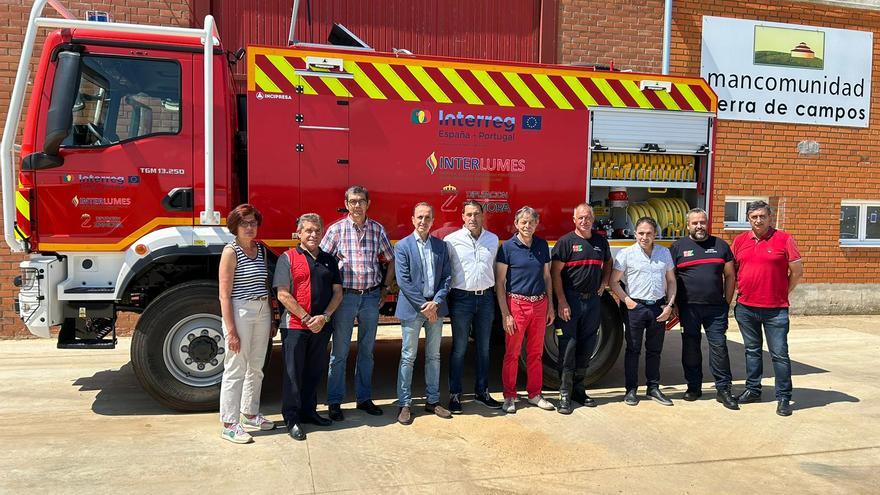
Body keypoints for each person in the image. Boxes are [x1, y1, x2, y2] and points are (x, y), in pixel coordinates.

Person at [321, 185, 395, 420]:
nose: (357, 205)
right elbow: (321, 261)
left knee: (366, 352)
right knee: (340, 352)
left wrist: (385, 287)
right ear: (346, 203)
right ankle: (334, 402)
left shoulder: (377, 229)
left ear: (368, 204)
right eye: (352, 201)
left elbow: (391, 259)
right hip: (346, 298)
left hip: (371, 297)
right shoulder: (336, 230)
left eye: (361, 201)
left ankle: (364, 399)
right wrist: (331, 291)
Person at [274, 213, 343, 441]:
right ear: (299, 233)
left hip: (321, 326)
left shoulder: (329, 260)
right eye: (308, 230)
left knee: (314, 372)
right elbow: (283, 294)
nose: (313, 234)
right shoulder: (288, 258)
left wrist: (324, 317)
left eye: (317, 230)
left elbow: (337, 292)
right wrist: (306, 318)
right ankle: (292, 418)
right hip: (295, 326)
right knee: (294, 374)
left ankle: (309, 412)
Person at [731, 200, 803, 417]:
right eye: (754, 217)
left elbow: (797, 272)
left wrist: (783, 293)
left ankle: (783, 397)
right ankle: (753, 390)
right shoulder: (740, 241)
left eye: (762, 216)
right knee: (752, 352)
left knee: (779, 354)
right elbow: (732, 272)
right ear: (748, 219)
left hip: (776, 310)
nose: (758, 220)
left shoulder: (784, 239)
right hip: (746, 308)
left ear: (770, 217)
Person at [217, 204, 275, 443]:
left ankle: (250, 413)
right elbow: (224, 294)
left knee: (256, 366)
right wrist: (231, 331)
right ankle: (229, 423)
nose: (250, 228)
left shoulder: (260, 250)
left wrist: (271, 316)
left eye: (253, 223)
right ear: (235, 227)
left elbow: (265, 285)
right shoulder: (231, 252)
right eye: (245, 224)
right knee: (235, 366)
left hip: (262, 309)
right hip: (240, 309)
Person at [670, 208, 738, 410]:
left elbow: (730, 276)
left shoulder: (721, 246)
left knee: (719, 347)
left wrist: (726, 303)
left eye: (702, 222)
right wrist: (673, 304)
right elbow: (670, 278)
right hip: (688, 308)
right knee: (690, 347)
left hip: (716, 309)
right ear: (687, 225)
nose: (699, 226)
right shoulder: (677, 248)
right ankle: (693, 387)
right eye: (694, 223)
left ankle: (723, 389)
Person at [394, 203, 453, 425]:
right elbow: (403, 281)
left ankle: (433, 401)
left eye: (427, 217)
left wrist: (435, 303)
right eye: (419, 217)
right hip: (413, 309)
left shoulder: (441, 246)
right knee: (408, 356)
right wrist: (424, 306)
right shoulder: (402, 246)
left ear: (433, 220)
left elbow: (447, 277)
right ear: (412, 219)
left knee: (434, 356)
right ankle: (405, 404)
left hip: (435, 309)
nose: (423, 221)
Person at [550, 203, 611, 414]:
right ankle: (564, 394)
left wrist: (604, 283)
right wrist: (562, 302)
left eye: (588, 217)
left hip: (593, 301)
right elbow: (555, 273)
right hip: (571, 302)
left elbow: (608, 262)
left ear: (593, 219)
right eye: (581, 218)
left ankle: (579, 389)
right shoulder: (565, 242)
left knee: (587, 346)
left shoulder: (600, 242)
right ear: (574, 220)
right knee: (568, 349)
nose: (585, 221)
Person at [610, 216, 677, 407]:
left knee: (655, 350)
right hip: (635, 308)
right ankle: (631, 390)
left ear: (655, 234)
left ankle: (653, 388)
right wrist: (627, 301)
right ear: (635, 233)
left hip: (658, 307)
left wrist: (669, 305)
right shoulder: (626, 254)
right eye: (641, 233)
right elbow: (613, 281)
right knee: (633, 350)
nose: (644, 237)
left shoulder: (664, 253)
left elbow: (672, 281)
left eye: (649, 233)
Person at [495, 206, 555, 413]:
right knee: (512, 353)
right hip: (516, 305)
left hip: (540, 304)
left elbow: (547, 277)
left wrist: (550, 306)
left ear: (536, 224)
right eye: (523, 222)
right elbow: (500, 282)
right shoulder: (507, 248)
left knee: (536, 353)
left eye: (531, 222)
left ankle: (534, 394)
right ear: (516, 224)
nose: (527, 226)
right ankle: (510, 396)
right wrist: (506, 314)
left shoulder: (541, 245)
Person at [444, 201, 502, 413]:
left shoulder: (492, 240)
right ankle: (455, 395)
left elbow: (495, 269)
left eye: (477, 214)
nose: (473, 218)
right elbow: (446, 271)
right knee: (459, 348)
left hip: (486, 298)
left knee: (484, 348)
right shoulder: (451, 241)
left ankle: (482, 392)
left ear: (483, 215)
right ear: (462, 216)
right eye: (469, 214)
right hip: (461, 299)